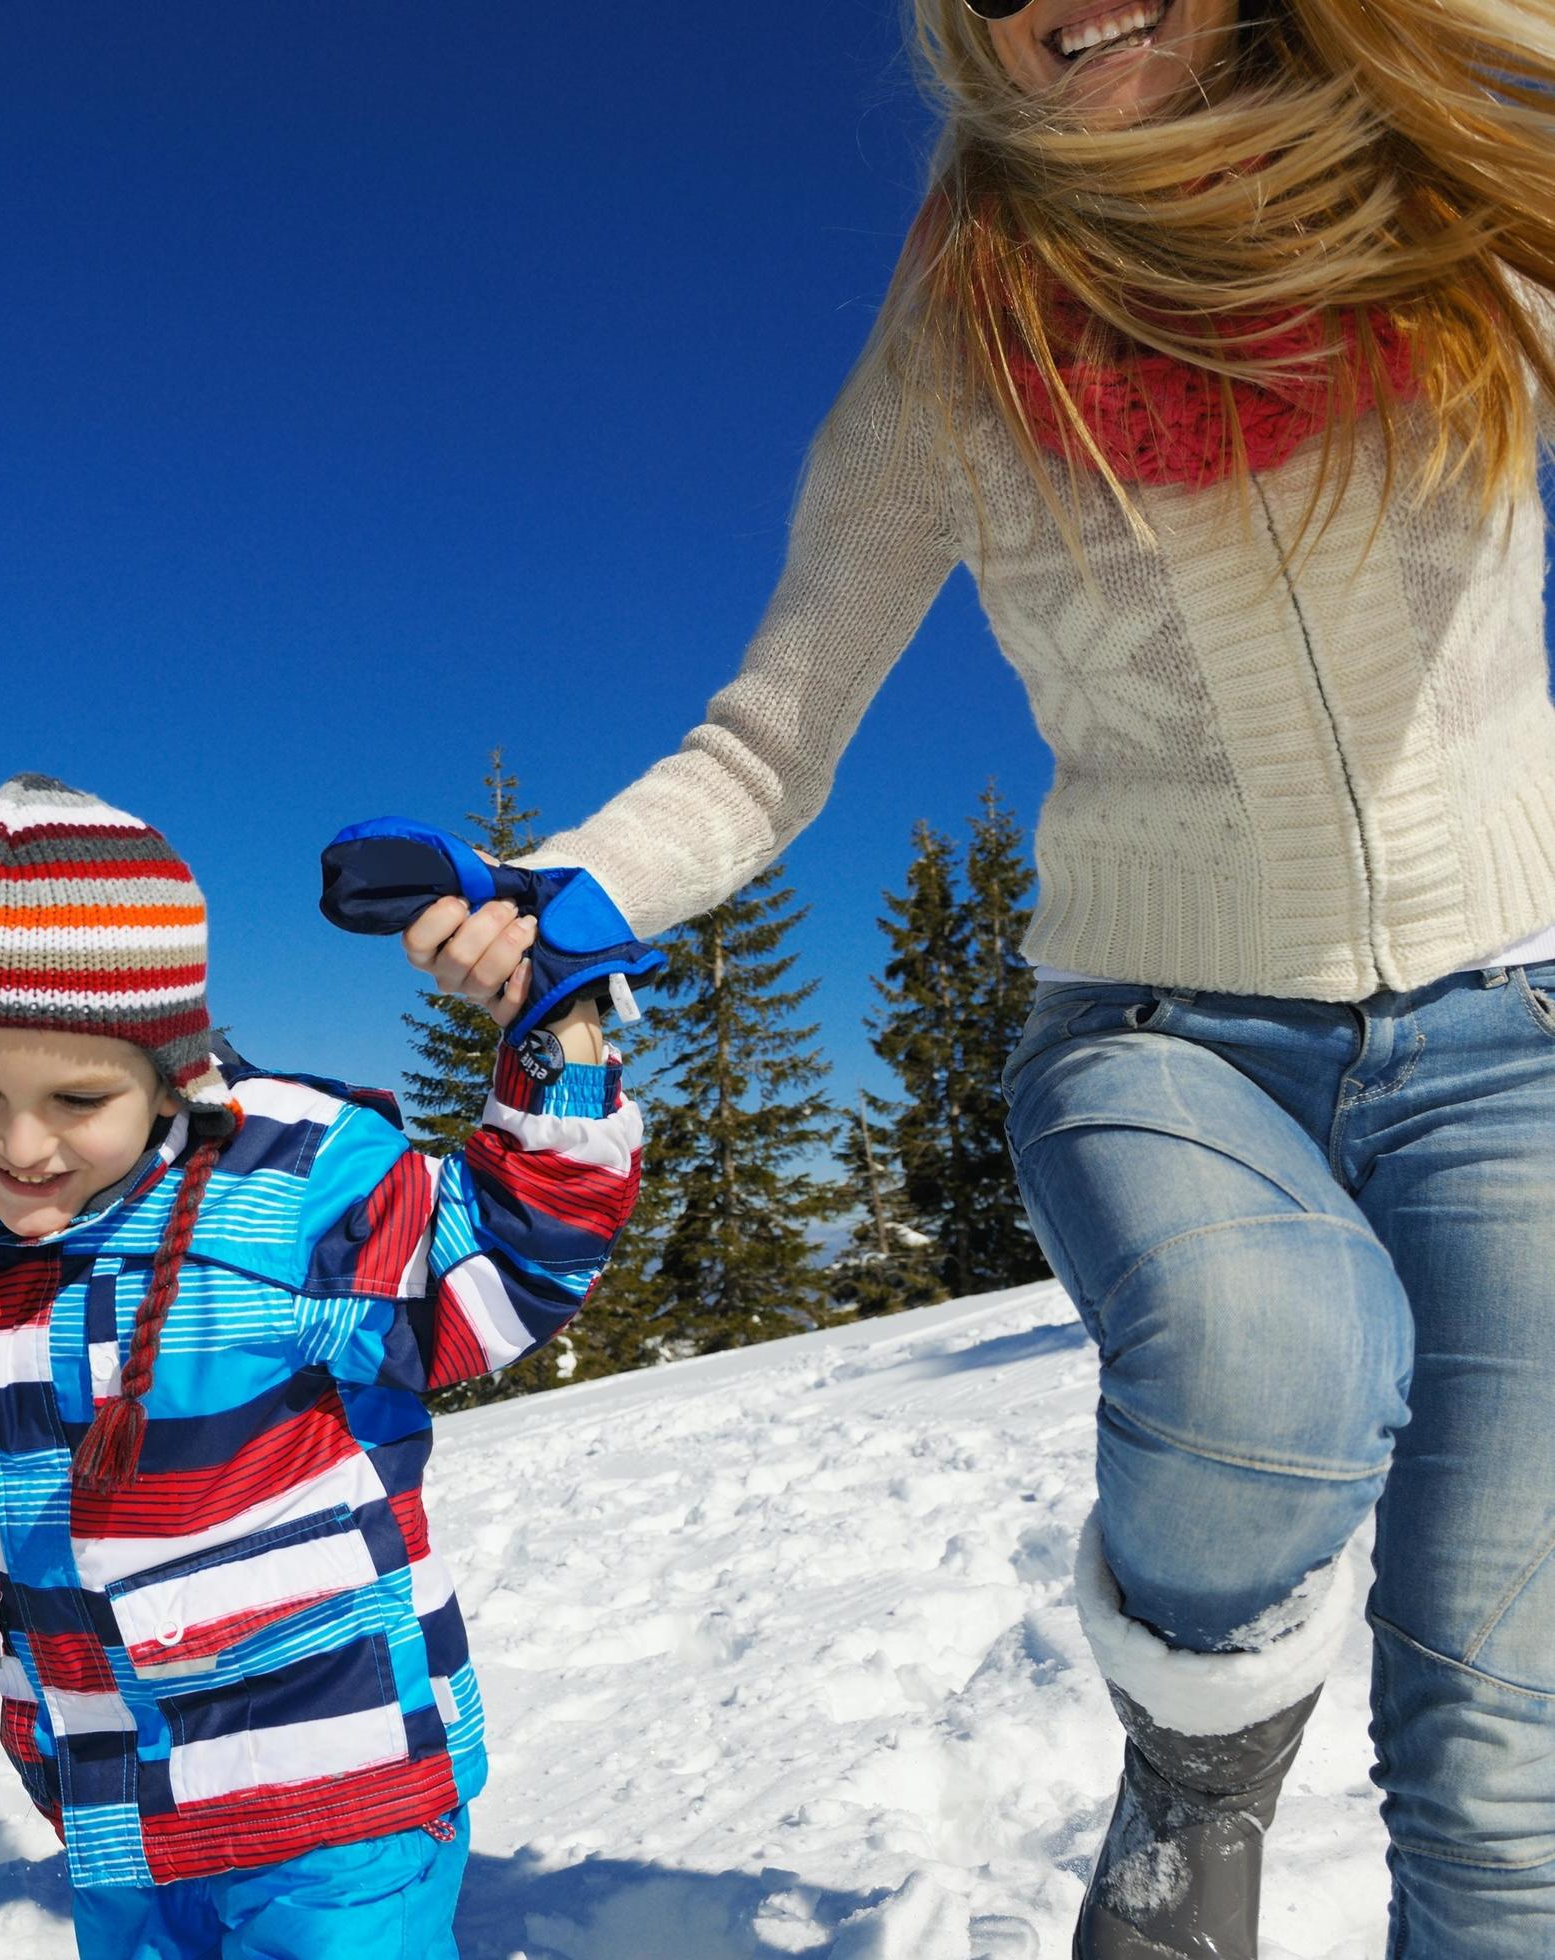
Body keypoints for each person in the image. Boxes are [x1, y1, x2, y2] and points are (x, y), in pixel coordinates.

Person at [408, 5, 1555, 1954]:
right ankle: (1199, 1752)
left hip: (1520, 1026)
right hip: (1163, 1032)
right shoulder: (966, 344)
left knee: (1510, 1740)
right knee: (1271, 1364)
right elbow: (770, 741)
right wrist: (570, 883)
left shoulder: (1476, 216)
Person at [0, 775, 644, 1959]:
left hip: (335, 1801)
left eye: (77, 1097)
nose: (19, 1145)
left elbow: (508, 1263)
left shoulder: (292, 1188)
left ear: (169, 1069)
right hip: (115, 1805)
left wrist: (559, 1029)